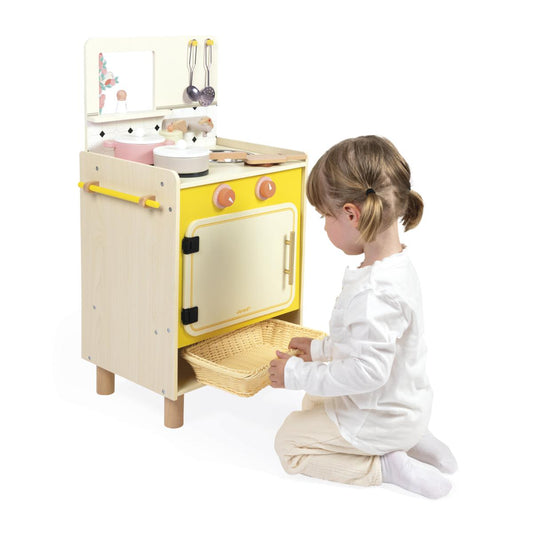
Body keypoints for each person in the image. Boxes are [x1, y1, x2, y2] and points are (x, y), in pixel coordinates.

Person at [269, 136, 457, 498]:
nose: (324, 225)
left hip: (380, 417)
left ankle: (385, 465)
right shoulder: (395, 266)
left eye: (325, 216)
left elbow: (367, 372)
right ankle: (413, 436)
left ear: (352, 214)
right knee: (313, 400)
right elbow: (364, 343)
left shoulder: (374, 294)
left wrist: (295, 373)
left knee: (289, 444)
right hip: (407, 405)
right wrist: (319, 350)